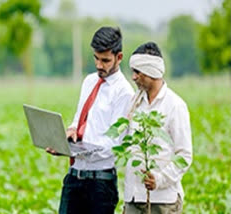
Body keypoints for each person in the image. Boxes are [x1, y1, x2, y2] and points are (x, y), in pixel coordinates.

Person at [46, 26, 134, 214]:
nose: (99, 65)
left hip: (100, 185)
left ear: (119, 57)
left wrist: (77, 150)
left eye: (105, 60)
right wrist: (69, 134)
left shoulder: (124, 92)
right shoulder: (89, 81)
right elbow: (79, 121)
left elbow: (114, 144)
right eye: (96, 58)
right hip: (74, 178)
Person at [123, 42, 193, 214]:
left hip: (162, 202)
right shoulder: (134, 103)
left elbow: (184, 155)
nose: (133, 77)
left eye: (137, 72)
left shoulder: (175, 105)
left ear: (152, 71)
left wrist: (159, 179)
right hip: (133, 198)